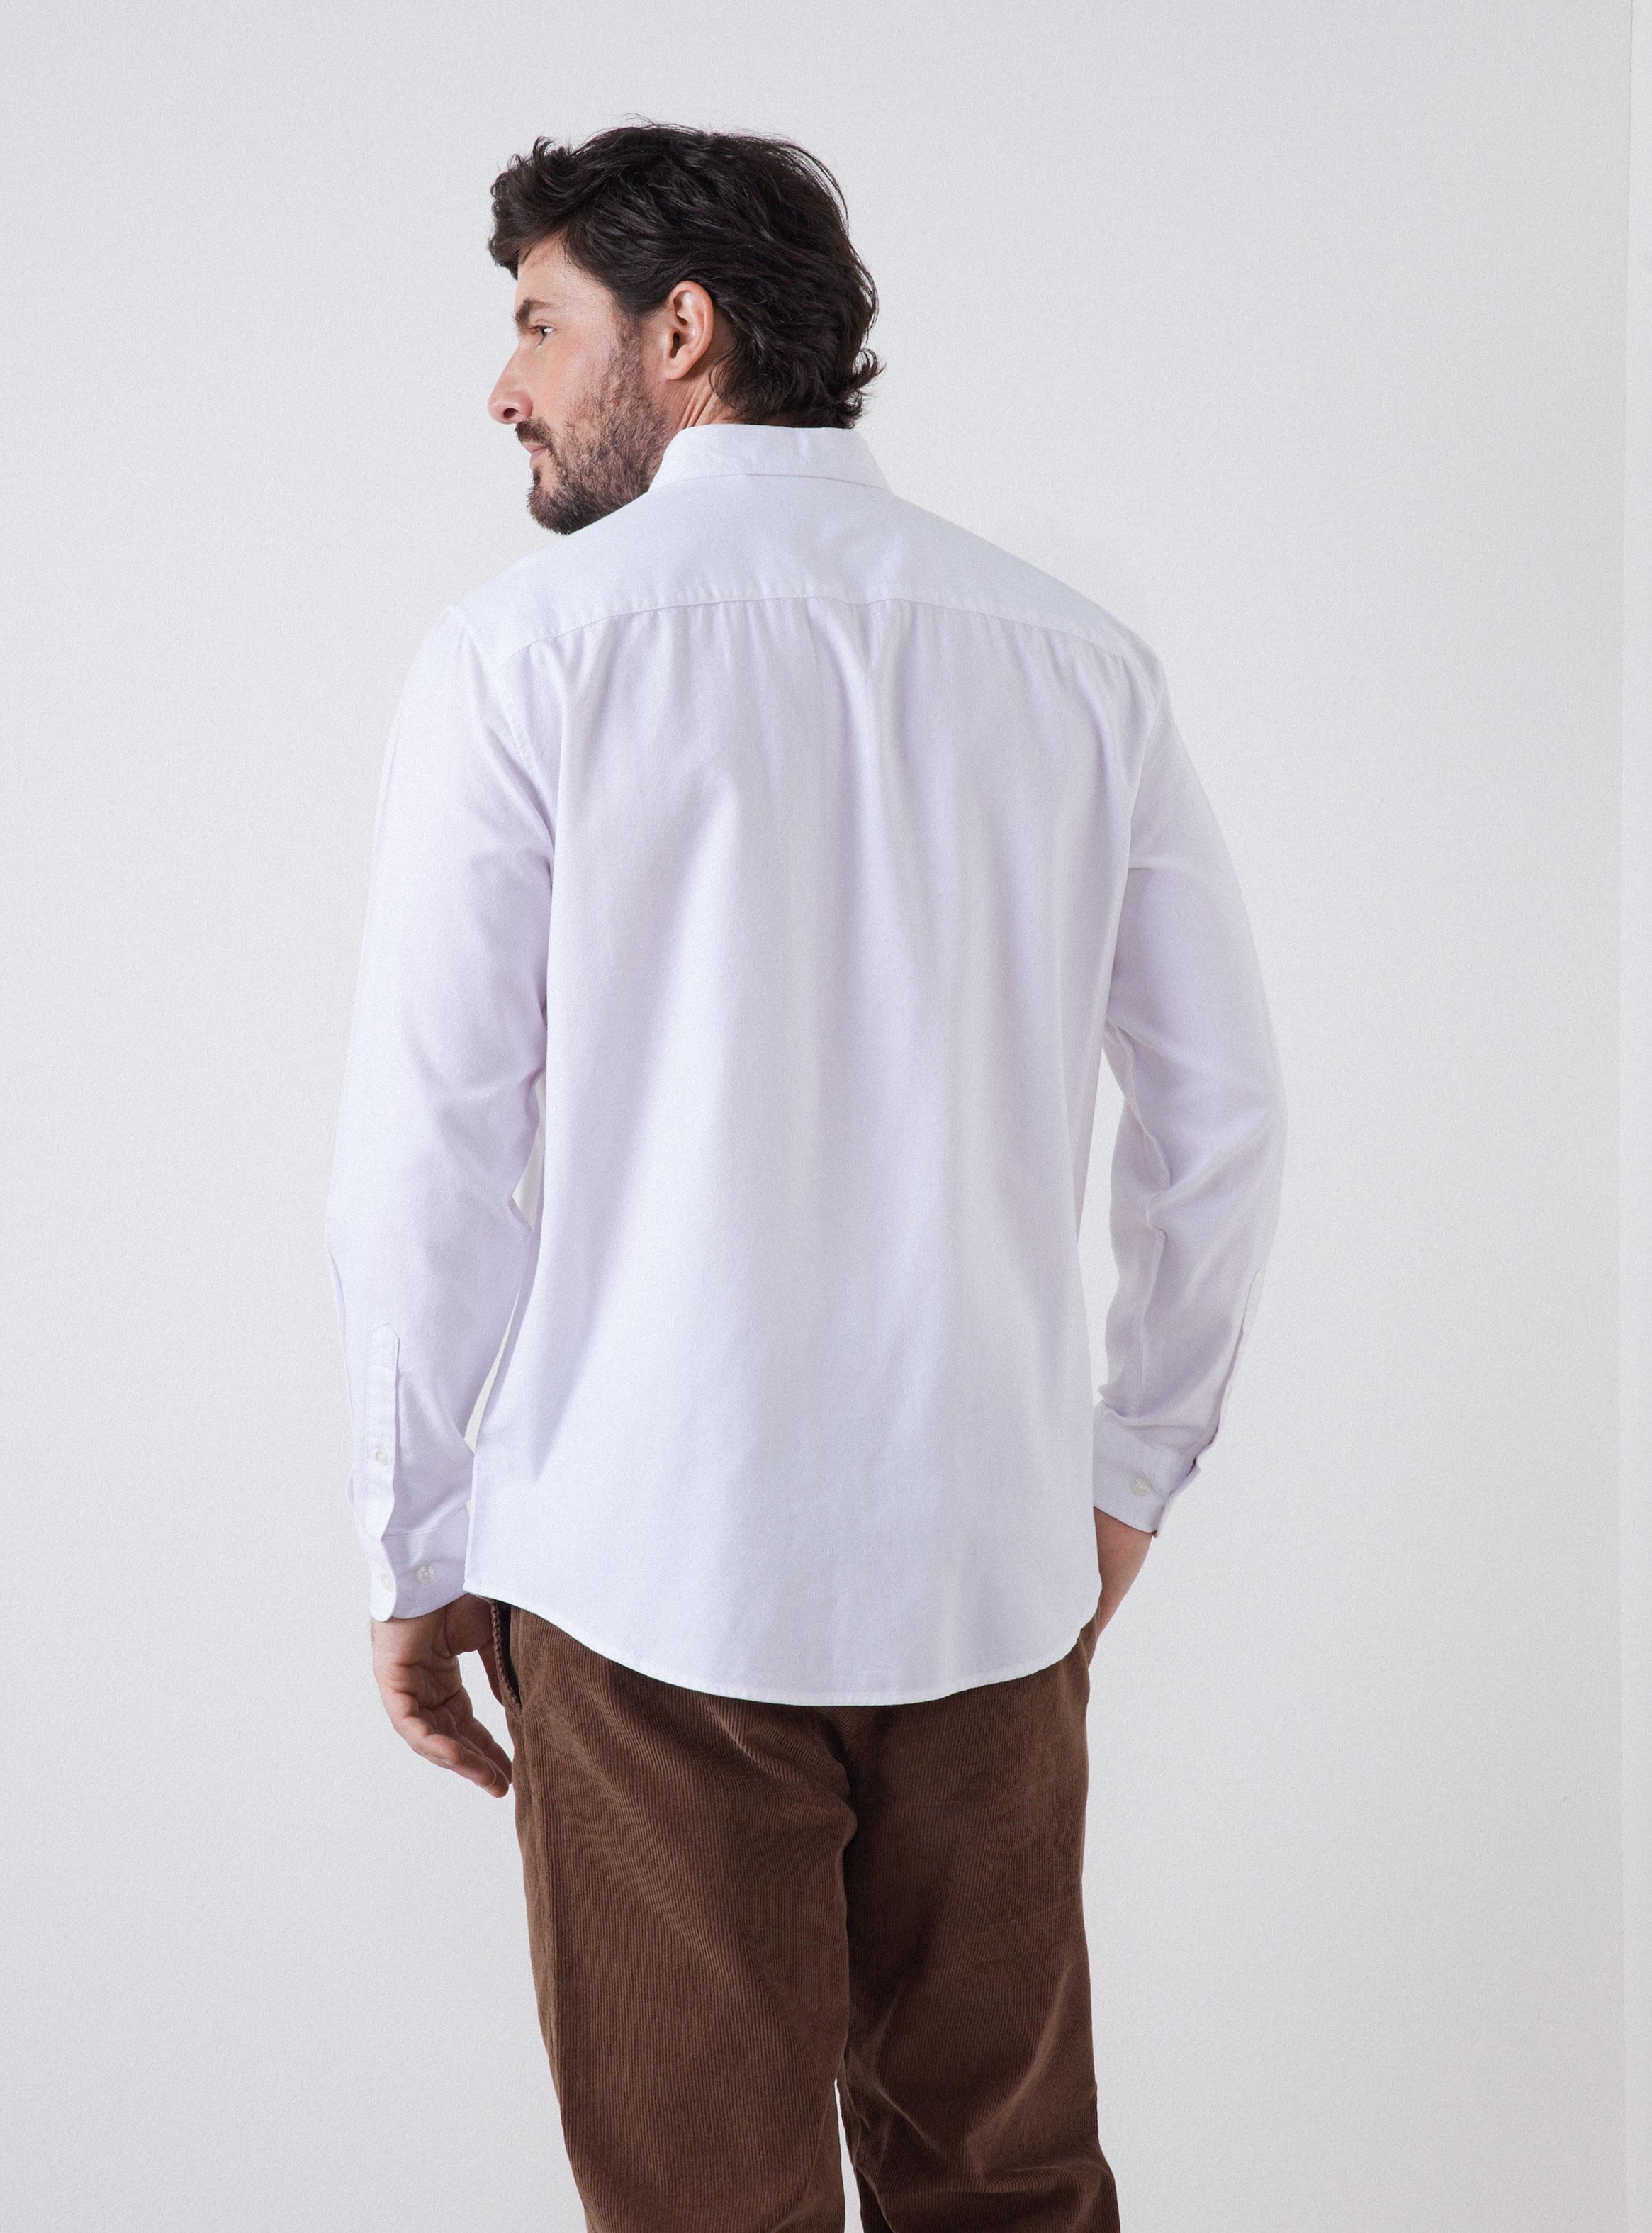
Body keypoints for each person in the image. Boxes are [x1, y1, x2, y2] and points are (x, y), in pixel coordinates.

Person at [324, 120, 1287, 2233]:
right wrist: (1127, 1471)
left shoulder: (525, 652)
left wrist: (417, 1540)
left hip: (643, 1573)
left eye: (538, 325)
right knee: (1009, 2188)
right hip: (987, 1565)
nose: (502, 386)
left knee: (702, 2206)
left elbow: (428, 1153)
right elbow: (1221, 1116)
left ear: (680, 332)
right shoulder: (1073, 659)